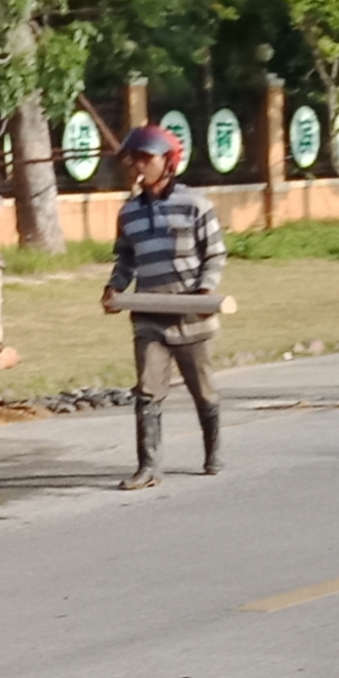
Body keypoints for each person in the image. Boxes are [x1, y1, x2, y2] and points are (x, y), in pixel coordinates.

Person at [102, 124, 227, 490]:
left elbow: (215, 254)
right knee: (147, 390)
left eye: (145, 158)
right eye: (132, 160)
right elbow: (126, 259)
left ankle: (213, 452)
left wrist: (205, 291)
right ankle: (149, 467)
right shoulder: (129, 213)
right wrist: (114, 287)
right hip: (149, 316)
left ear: (169, 162)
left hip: (191, 315)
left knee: (203, 390)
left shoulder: (195, 205)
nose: (136, 166)